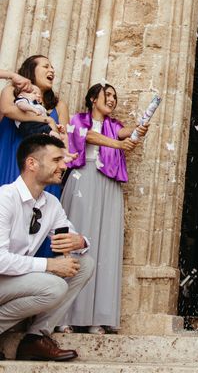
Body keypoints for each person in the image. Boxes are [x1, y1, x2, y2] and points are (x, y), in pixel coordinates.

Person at [57, 83, 144, 334]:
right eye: (108, 95)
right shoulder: (78, 120)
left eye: (115, 96)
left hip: (108, 185)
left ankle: (97, 316)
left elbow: (126, 132)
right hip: (83, 181)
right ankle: (64, 316)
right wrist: (118, 145)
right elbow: (87, 137)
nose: (113, 99)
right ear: (94, 99)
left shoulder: (113, 126)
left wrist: (139, 129)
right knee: (76, 242)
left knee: (105, 246)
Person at [0, 134, 94, 361]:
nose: (64, 165)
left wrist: (80, 241)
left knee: (84, 264)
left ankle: (35, 339)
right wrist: (49, 264)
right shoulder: (5, 198)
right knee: (54, 286)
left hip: (14, 280)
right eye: (56, 160)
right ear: (31, 163)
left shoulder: (50, 203)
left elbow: (69, 236)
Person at [0, 56, 69, 198]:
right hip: (13, 159)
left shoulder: (59, 106)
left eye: (52, 68)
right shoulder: (11, 91)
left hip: (45, 169)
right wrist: (47, 120)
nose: (52, 70)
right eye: (46, 66)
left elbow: (63, 139)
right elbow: (7, 109)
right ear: (31, 70)